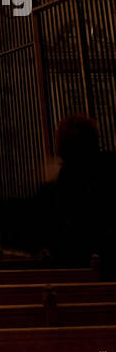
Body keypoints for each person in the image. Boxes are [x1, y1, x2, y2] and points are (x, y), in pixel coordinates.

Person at [31, 114, 116, 274]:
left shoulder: (57, 187)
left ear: (60, 145)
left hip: (72, 267)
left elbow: (40, 234)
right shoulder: (109, 171)